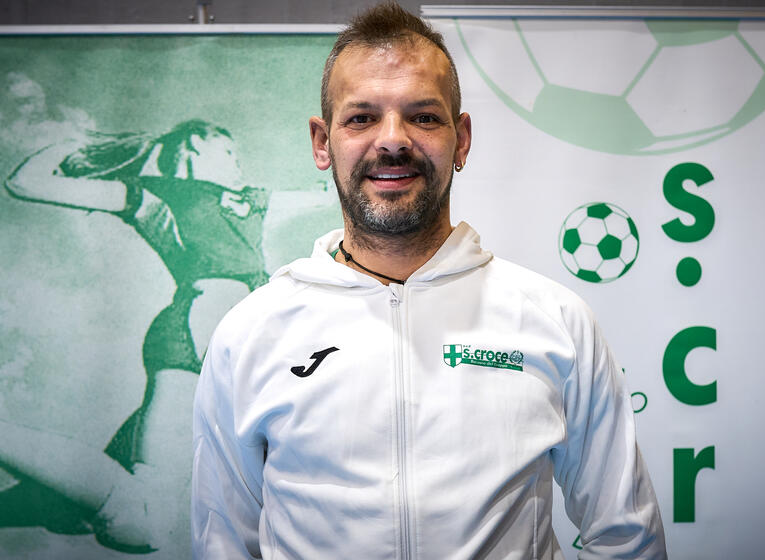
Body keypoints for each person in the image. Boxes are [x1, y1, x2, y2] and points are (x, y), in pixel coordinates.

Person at [191, 2, 667, 559]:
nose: (393, 140)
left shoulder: (556, 321)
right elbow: (222, 544)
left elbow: (627, 538)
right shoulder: (251, 334)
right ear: (322, 142)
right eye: (361, 118)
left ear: (461, 139)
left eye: (423, 116)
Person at [2, 119, 268, 555]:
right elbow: (25, 183)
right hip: (194, 339)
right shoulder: (154, 195)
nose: (238, 165)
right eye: (228, 153)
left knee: (85, 514)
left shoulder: (253, 203)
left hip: (229, 360)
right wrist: (75, 144)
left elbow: (335, 196)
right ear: (194, 145)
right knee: (141, 518)